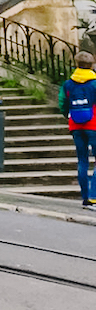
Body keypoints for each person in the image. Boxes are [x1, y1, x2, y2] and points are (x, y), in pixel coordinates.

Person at [58, 51, 96, 207]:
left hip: (75, 125)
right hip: (93, 125)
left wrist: (67, 116)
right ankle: (94, 196)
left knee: (82, 161)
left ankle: (85, 197)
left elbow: (62, 102)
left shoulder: (68, 84)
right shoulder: (94, 83)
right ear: (91, 65)